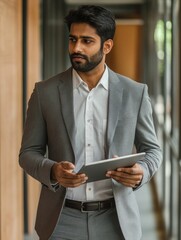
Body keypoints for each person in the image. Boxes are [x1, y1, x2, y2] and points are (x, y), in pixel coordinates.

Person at [19, 5, 162, 240]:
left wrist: (142, 172)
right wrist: (53, 171)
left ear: (107, 46)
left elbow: (153, 149)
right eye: (73, 39)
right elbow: (28, 153)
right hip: (61, 221)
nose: (76, 48)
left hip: (116, 220)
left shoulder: (135, 93)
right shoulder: (44, 93)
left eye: (87, 41)